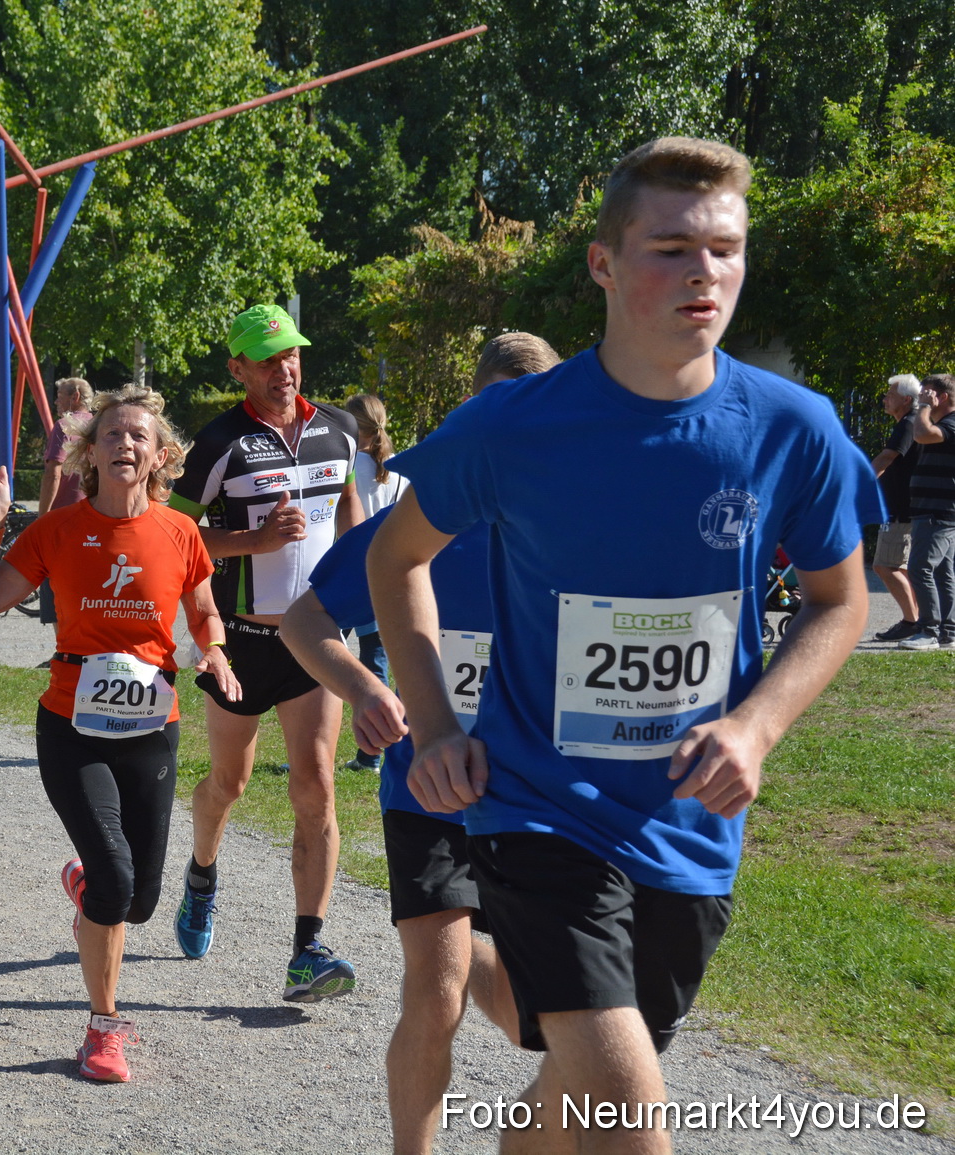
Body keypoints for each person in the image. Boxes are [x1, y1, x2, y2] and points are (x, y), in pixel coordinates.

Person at [369, 137, 881, 1155]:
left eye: (725, 251)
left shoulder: (794, 428)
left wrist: (755, 727)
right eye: (670, 249)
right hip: (537, 809)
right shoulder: (512, 427)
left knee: (571, 1094)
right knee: (628, 1119)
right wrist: (433, 730)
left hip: (687, 823)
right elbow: (395, 561)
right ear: (602, 263)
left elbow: (839, 600)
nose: (704, 274)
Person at [280, 333, 559, 1155]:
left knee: (532, 1024)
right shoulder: (424, 518)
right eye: (497, 415)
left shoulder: (571, 524)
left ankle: (469, 946)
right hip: (426, 785)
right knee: (433, 997)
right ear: (472, 414)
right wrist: (367, 687)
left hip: (534, 796)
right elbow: (303, 621)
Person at [0, 384, 237, 1082]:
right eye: (112, 435)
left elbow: (204, 611)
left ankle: (88, 884)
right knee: (117, 883)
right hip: (72, 726)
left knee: (137, 901)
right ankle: (103, 1026)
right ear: (91, 451)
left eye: (139, 436)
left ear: (160, 455)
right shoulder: (58, 530)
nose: (125, 445)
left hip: (152, 725)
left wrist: (215, 649)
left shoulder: (181, 532)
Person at [165, 303, 366, 1001]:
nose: (284, 369)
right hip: (244, 641)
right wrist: (250, 543)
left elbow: (347, 503)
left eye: (292, 355)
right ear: (239, 369)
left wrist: (353, 562)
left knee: (315, 782)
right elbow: (171, 536)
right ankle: (200, 872)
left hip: (313, 637)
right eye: (268, 359)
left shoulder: (337, 429)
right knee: (231, 784)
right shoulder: (219, 442)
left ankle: (307, 949)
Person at [338, 393, 410, 767]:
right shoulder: (397, 470)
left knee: (321, 664)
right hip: (385, 579)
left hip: (349, 576)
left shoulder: (346, 467)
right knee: (375, 668)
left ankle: (312, 748)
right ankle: (370, 756)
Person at [900, 373, 955, 651]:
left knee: (919, 569)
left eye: (927, 393)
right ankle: (948, 631)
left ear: (942, 396)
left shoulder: (952, 423)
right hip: (935, 509)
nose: (922, 397)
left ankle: (928, 630)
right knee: (943, 572)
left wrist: (922, 408)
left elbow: (921, 434)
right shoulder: (944, 423)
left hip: (937, 510)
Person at [35, 377, 94, 636]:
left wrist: (42, 517)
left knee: (57, 582)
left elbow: (53, 474)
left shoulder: (64, 425)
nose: (56, 401)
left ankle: (65, 646)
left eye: (60, 395)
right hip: (95, 513)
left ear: (76, 397)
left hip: (64, 518)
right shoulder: (100, 425)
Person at [870, 374, 923, 640]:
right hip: (907, 508)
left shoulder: (908, 423)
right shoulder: (913, 423)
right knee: (900, 567)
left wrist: (859, 484)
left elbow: (886, 458)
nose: (885, 398)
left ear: (906, 399)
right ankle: (916, 620)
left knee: (885, 566)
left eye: (890, 394)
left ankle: (911, 621)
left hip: (902, 510)